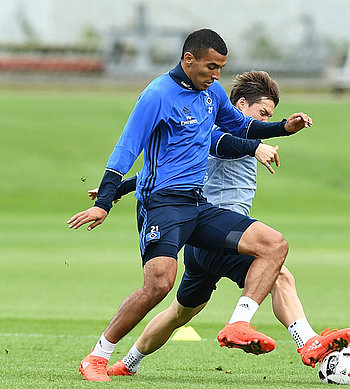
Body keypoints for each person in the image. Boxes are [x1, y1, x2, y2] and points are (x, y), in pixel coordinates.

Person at [68, 29, 313, 382]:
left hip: (197, 204)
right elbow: (126, 149)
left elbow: (241, 126)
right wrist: (106, 200)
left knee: (274, 245)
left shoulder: (212, 92)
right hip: (161, 205)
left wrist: (283, 128)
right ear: (189, 60)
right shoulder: (156, 95)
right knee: (159, 285)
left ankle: (239, 323)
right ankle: (97, 356)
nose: (217, 75)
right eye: (211, 66)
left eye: (221, 68)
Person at [88, 70, 350, 376]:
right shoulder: (216, 127)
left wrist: (117, 190)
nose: (264, 121)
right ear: (241, 105)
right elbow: (221, 143)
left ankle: (127, 363)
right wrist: (254, 146)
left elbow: (164, 173)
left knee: (179, 313)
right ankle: (305, 340)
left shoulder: (219, 131)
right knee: (279, 274)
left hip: (203, 244)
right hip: (217, 235)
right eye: (262, 113)